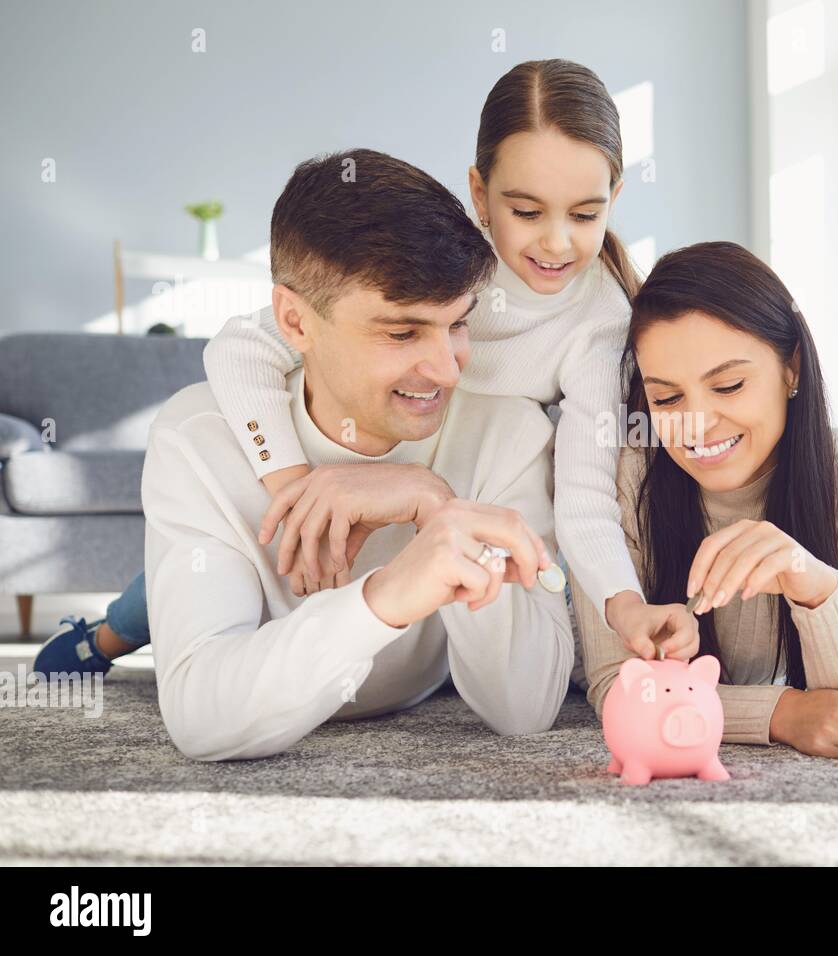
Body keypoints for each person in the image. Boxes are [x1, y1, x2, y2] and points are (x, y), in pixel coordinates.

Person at [34, 58, 696, 677]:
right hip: (342, 453)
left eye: (585, 214)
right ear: (479, 191)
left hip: (447, 479)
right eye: (525, 212)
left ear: (615, 193)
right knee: (227, 560)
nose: (556, 242)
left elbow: (584, 498)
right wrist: (299, 488)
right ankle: (110, 635)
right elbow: (239, 348)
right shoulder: (440, 260)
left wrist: (622, 604)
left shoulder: (600, 326)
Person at [141, 148, 574, 760]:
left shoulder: (509, 431)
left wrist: (442, 511)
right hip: (193, 554)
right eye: (402, 333)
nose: (448, 370)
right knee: (136, 613)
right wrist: (387, 596)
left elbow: (524, 709)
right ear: (294, 322)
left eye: (457, 325)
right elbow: (200, 718)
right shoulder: (196, 440)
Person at [571, 242, 838, 759]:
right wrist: (783, 713)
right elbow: (616, 687)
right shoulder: (626, 478)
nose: (697, 424)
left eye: (729, 385)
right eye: (667, 399)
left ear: (792, 369)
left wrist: (814, 587)